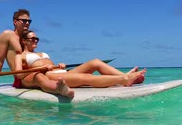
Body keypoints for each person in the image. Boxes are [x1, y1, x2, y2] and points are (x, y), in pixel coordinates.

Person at [13, 30, 146, 88]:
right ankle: (123, 80)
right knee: (86, 78)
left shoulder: (42, 52)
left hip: (61, 72)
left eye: (37, 39)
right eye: (32, 39)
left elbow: (51, 65)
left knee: (95, 62)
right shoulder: (20, 55)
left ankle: (125, 76)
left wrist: (59, 65)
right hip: (50, 76)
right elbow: (19, 74)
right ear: (24, 41)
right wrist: (39, 69)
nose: (36, 41)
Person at [0, 8, 42, 92]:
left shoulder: (28, 38)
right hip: (21, 78)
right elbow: (0, 60)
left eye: (29, 21)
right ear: (15, 22)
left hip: (33, 72)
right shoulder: (7, 35)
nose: (27, 23)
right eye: (24, 21)